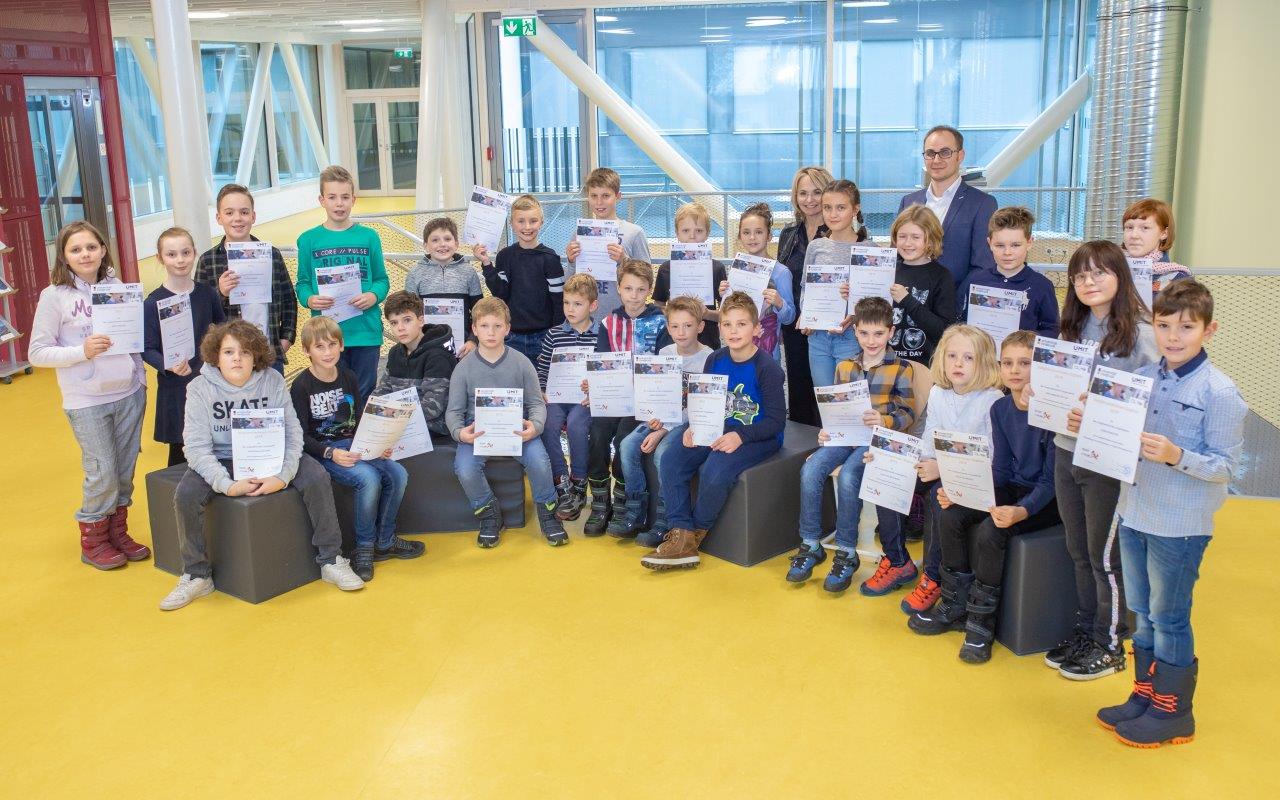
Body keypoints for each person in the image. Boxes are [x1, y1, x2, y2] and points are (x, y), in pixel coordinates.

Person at [1096, 280, 1245, 747]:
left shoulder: (1219, 392)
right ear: (1152, 327)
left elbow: (1225, 467)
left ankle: (1174, 711)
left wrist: (1177, 454)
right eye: (1164, 326)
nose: (1173, 337)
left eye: (1186, 327)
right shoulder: (1143, 376)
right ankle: (1145, 695)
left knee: (1170, 616)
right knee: (1142, 612)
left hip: (1180, 525)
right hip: (1135, 511)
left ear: (1208, 329)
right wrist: (1090, 421)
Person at [160, 320, 364, 610]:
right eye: (229, 352)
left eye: (245, 352)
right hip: (223, 457)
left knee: (316, 475)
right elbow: (195, 448)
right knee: (186, 494)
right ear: (216, 355)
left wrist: (282, 477)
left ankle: (331, 559)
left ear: (255, 354)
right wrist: (226, 485)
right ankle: (196, 574)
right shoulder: (199, 388)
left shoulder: (272, 380)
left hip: (272, 452)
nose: (237, 359)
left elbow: (294, 435)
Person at [1035, 241, 1160, 680]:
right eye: (1080, 276)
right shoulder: (1073, 327)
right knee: (1078, 550)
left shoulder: (1143, 334)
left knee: (1103, 554)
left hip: (1108, 459)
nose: (1088, 283)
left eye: (1098, 273)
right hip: (1067, 449)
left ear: (1120, 276)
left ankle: (1111, 644)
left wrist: (1099, 408)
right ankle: (1090, 629)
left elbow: (1151, 401)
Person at [920, 331, 1060, 663]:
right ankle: (955, 605)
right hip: (1011, 487)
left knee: (990, 532)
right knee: (950, 513)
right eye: (1008, 362)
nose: (1015, 370)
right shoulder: (1000, 408)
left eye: (1025, 363)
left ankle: (981, 624)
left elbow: (1050, 482)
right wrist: (962, 492)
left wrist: (1020, 512)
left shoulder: (1052, 414)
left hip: (1046, 500)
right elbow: (998, 470)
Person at [28, 221, 151, 569]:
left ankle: (117, 532)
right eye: (76, 249)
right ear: (64, 257)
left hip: (128, 393)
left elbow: (134, 339)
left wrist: (139, 379)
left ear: (102, 249)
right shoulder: (54, 297)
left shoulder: (117, 287)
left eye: (91, 247)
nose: (85, 254)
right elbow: (37, 353)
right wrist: (81, 351)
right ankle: (93, 540)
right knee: (102, 470)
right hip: (87, 400)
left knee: (124, 470)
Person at [641, 292, 786, 570]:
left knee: (715, 469)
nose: (734, 331)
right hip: (717, 427)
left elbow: (776, 421)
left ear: (756, 329)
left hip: (757, 434)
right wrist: (694, 425)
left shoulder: (766, 367)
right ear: (719, 328)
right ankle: (680, 532)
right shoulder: (716, 359)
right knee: (672, 458)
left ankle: (694, 536)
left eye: (741, 324)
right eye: (727, 324)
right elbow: (704, 402)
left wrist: (740, 436)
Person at [788, 297, 915, 592]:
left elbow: (907, 413)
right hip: (845, 438)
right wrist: (826, 433)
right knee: (810, 470)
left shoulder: (901, 368)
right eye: (865, 333)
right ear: (855, 331)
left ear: (891, 332)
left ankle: (846, 551)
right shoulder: (845, 367)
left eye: (879, 334)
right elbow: (835, 410)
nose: (871, 341)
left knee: (848, 476)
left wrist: (883, 421)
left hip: (876, 443)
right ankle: (810, 543)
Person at [290, 316, 420, 581]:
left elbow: (360, 419)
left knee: (398, 473)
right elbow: (300, 436)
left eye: (332, 345)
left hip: (355, 445)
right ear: (306, 351)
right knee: (368, 479)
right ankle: (364, 547)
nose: (327, 352)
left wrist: (379, 445)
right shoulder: (301, 385)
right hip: (325, 451)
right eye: (319, 347)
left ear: (341, 346)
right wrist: (330, 453)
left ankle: (385, 540)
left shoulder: (348, 376)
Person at [445, 297, 568, 547]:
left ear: (508, 329)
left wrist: (535, 426)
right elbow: (453, 412)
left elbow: (536, 403)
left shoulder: (521, 363)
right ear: (475, 329)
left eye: (497, 326)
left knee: (540, 462)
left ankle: (549, 514)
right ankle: (489, 514)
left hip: (516, 430)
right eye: (485, 326)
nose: (491, 332)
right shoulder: (463, 368)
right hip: (477, 433)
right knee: (465, 468)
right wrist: (460, 433)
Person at [903, 325, 1004, 617]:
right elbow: (930, 436)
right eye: (952, 356)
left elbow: (990, 457)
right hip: (941, 467)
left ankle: (934, 577)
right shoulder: (938, 392)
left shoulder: (992, 400)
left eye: (968, 358)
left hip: (975, 480)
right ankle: (897, 560)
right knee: (899, 476)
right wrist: (917, 462)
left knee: (937, 495)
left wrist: (941, 470)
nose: (958, 363)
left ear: (983, 362)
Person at [610, 296, 714, 541]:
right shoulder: (665, 352)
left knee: (662, 454)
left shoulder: (709, 358)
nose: (681, 332)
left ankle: (664, 520)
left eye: (688, 326)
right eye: (675, 326)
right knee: (626, 446)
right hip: (663, 418)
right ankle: (636, 512)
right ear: (668, 328)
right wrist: (653, 418)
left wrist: (664, 429)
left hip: (687, 422)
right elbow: (657, 393)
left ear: (700, 326)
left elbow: (701, 404)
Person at [584, 259, 668, 536]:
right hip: (614, 396)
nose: (634, 295)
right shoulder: (609, 322)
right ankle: (600, 501)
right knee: (596, 434)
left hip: (643, 400)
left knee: (622, 439)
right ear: (619, 288)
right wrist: (593, 385)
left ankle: (622, 497)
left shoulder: (660, 322)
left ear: (649, 291)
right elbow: (602, 360)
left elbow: (666, 362)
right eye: (628, 288)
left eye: (640, 289)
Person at [295, 165, 389, 400]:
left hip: (365, 332)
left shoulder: (369, 237)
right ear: (322, 200)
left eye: (345, 197)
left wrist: (373, 296)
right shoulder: (308, 240)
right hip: (326, 337)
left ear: (353, 200)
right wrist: (309, 299)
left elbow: (381, 279)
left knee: (364, 394)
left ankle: (361, 437)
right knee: (333, 395)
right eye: (332, 197)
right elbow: (302, 283)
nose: (339, 203)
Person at [143, 227, 226, 466]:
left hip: (210, 383)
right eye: (171, 254)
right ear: (160, 258)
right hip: (176, 387)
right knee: (180, 455)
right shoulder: (153, 302)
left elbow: (222, 332)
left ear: (194, 254)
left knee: (215, 448)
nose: (180, 260)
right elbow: (147, 348)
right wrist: (166, 365)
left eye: (185, 252)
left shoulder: (207, 294)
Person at [196, 183, 298, 373]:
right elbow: (200, 315)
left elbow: (288, 300)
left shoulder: (272, 254)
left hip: (268, 354)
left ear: (253, 216)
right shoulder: (207, 261)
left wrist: (286, 340)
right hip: (228, 361)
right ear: (219, 218)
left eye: (244, 212)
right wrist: (220, 293)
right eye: (229, 213)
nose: (237, 218)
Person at [898, 125, 998, 290]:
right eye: (930, 153)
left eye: (945, 152)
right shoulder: (908, 202)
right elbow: (897, 258)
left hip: (953, 307)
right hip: (909, 303)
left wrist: (952, 306)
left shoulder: (982, 204)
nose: (936, 160)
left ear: (960, 156)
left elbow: (983, 265)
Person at [535, 273, 601, 521]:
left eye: (577, 304)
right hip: (557, 396)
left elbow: (605, 370)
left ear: (592, 305)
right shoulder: (553, 334)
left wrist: (594, 388)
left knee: (576, 425)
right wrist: (542, 390)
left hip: (584, 399)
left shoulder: (601, 335)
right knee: (548, 424)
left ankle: (579, 481)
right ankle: (562, 483)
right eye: (566, 303)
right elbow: (543, 370)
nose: (570, 309)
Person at [777, 166, 833, 425]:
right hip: (794, 324)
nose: (809, 199)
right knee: (798, 387)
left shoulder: (838, 233)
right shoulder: (789, 234)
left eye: (816, 192)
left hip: (827, 327)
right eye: (803, 193)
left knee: (826, 392)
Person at [481, 194, 565, 363]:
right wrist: (486, 264)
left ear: (542, 222)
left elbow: (558, 302)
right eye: (521, 221)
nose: (527, 227)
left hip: (544, 338)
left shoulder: (550, 258)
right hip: (511, 337)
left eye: (533, 221)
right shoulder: (504, 256)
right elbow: (500, 293)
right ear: (512, 224)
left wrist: (555, 338)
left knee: (541, 388)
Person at [802, 179, 869, 386]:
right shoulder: (815, 246)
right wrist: (807, 316)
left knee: (849, 404)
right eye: (827, 208)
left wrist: (855, 310)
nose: (833, 214)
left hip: (851, 339)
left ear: (855, 209)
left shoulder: (869, 249)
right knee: (825, 403)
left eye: (841, 207)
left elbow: (876, 301)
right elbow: (805, 288)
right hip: (818, 339)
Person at [958, 206, 1059, 337]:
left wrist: (1026, 345)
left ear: (1029, 243)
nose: (1007, 252)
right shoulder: (976, 281)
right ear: (989, 243)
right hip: (983, 355)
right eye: (1000, 245)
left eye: (1015, 245)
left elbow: (1051, 328)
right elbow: (965, 321)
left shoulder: (1042, 285)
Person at [565, 167, 652, 315]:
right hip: (587, 319)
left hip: (622, 317)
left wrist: (623, 261)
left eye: (606, 195)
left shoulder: (634, 233)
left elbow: (648, 279)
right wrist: (571, 261)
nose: (599, 202)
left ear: (618, 196)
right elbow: (570, 284)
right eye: (594, 196)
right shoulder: (579, 234)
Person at [718, 203, 796, 361]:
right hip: (737, 351)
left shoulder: (781, 273)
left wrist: (779, 303)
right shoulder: (737, 269)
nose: (752, 237)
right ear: (740, 236)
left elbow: (790, 317)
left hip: (767, 353)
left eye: (758, 232)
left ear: (769, 236)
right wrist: (724, 295)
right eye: (746, 232)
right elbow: (727, 314)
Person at [374, 290, 456, 436]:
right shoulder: (395, 353)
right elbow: (382, 392)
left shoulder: (438, 356)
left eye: (407, 320)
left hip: (432, 429)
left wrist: (392, 415)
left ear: (421, 320)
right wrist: (375, 411)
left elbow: (432, 407)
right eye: (394, 323)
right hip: (398, 423)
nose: (400, 328)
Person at [406, 216, 486, 360]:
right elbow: (409, 314)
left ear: (456, 244)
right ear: (425, 245)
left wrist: (473, 340)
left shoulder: (469, 272)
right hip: (426, 348)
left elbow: (479, 312)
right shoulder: (414, 274)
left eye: (447, 239)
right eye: (435, 240)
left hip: (463, 349)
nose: (442, 244)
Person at [653, 201, 726, 349]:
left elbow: (725, 314)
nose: (692, 236)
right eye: (685, 231)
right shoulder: (665, 269)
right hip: (674, 342)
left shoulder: (717, 268)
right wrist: (674, 313)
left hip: (708, 341)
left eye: (699, 231)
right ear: (677, 234)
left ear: (707, 234)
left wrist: (706, 314)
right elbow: (658, 305)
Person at [888, 204, 955, 367]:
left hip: (925, 365)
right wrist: (852, 295)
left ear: (931, 240)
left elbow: (944, 331)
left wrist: (907, 300)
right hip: (886, 363)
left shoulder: (941, 276)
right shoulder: (887, 270)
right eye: (902, 236)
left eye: (915, 237)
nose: (907, 243)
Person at [1121, 198, 1193, 296]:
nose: (1134, 235)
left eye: (1145, 228)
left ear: (1164, 233)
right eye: (1129, 227)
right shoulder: (1111, 270)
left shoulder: (1178, 279)